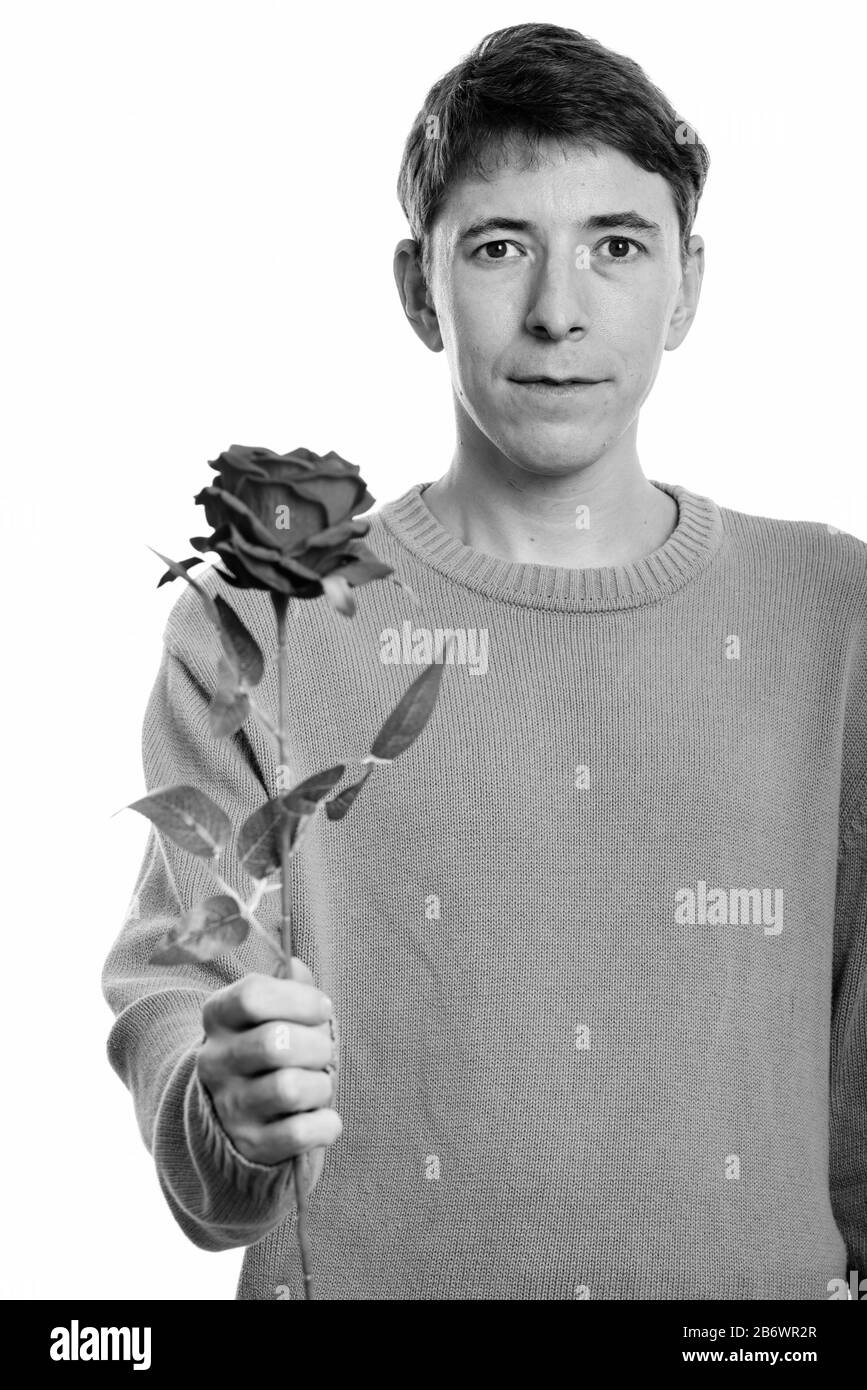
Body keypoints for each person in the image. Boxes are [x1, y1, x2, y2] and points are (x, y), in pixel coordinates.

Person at [102, 21, 867, 1300]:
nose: (560, 311)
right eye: (502, 246)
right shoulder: (262, 620)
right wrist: (223, 1113)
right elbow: (182, 985)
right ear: (419, 288)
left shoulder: (832, 611)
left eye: (617, 247)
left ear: (687, 284)